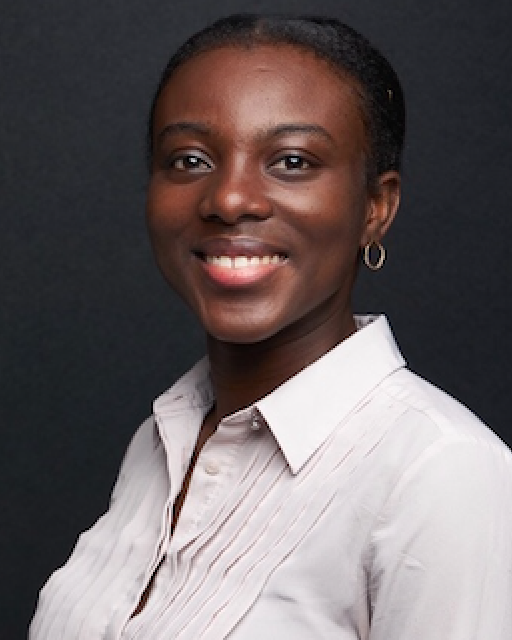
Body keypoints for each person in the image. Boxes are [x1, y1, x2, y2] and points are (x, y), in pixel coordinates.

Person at [29, 13, 512, 640]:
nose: (229, 199)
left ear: (376, 206)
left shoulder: (444, 476)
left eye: (290, 160)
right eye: (190, 158)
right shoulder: (161, 441)